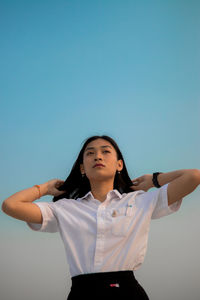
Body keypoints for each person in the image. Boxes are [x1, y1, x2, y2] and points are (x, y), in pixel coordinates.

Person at [2, 135, 200, 300]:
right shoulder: (65, 209)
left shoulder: (140, 201)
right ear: (82, 168)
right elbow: (10, 206)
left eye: (106, 151)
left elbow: (193, 176)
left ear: (119, 164)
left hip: (127, 293)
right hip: (82, 294)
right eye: (90, 153)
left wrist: (154, 179)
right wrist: (44, 188)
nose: (98, 156)